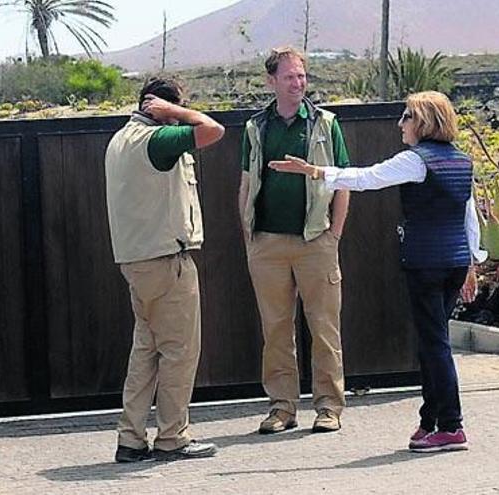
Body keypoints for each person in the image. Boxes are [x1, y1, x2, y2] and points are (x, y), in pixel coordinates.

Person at [268, 90, 487, 452]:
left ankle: (451, 425)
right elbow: (468, 215)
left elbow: (369, 177)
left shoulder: (417, 161)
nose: (401, 124)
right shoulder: (462, 161)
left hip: (426, 263)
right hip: (453, 263)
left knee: (435, 345)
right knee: (433, 341)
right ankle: (429, 420)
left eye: (407, 117)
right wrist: (472, 262)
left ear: (424, 121)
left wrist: (316, 172)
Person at [105, 77, 225, 462]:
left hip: (135, 262)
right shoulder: (156, 140)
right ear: (159, 109)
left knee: (146, 351)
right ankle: (173, 436)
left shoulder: (119, 141)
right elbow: (212, 130)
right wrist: (176, 112)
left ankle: (131, 437)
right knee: (179, 351)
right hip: (165, 261)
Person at [239, 46, 351, 434]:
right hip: (267, 244)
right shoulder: (256, 127)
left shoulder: (325, 123)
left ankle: (329, 406)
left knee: (324, 327)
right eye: (289, 77)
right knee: (275, 329)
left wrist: (333, 235)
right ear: (271, 81)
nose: (298, 83)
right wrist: (249, 238)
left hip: (315, 242)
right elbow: (246, 183)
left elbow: (341, 182)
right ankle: (282, 407)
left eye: (301, 76)